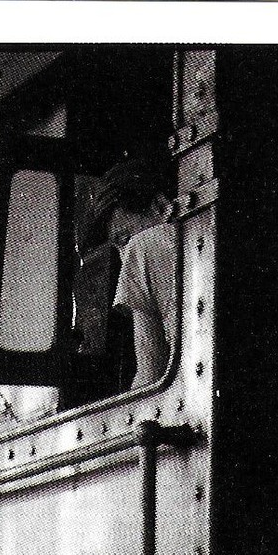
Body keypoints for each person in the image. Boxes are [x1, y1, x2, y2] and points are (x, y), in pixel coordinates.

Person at [85, 157, 179, 391]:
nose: (124, 256)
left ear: (161, 207)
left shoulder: (145, 246)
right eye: (118, 247)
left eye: (124, 239)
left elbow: (149, 376)